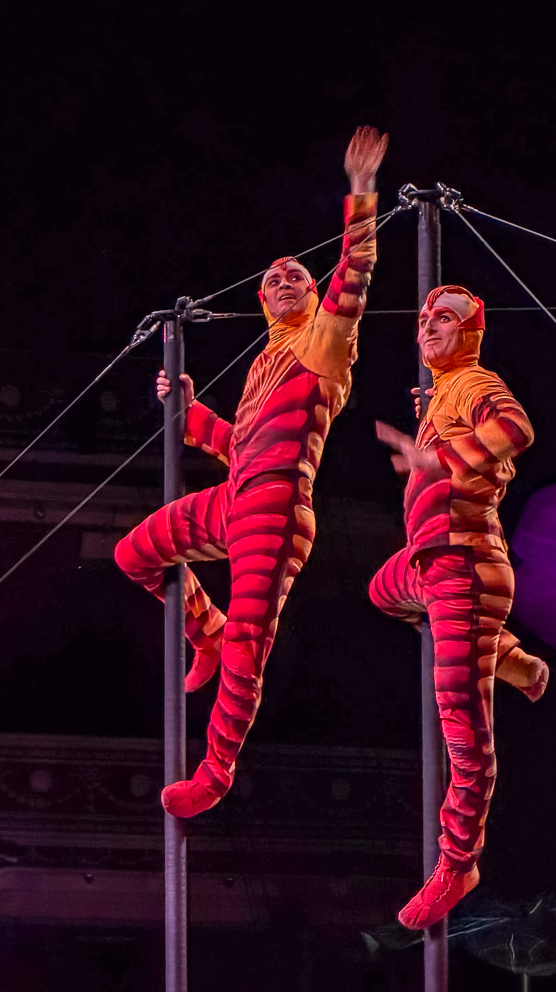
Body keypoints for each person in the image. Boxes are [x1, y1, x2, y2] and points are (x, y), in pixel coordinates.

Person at [115, 126, 387, 817]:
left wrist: (360, 194)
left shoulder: (324, 348)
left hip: (277, 511)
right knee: (135, 554)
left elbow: (352, 278)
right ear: (263, 301)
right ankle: (202, 626)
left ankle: (216, 770)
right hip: (235, 496)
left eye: (298, 271)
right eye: (274, 274)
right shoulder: (264, 362)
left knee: (251, 641)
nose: (284, 274)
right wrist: (186, 409)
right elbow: (244, 447)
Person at [372, 284, 549, 930]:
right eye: (422, 319)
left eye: (442, 319)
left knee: (461, 722)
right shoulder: (449, 391)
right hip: (432, 567)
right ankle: (510, 659)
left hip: (466, 568)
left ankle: (458, 859)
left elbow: (515, 428)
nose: (426, 327)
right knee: (381, 590)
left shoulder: (476, 379)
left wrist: (437, 454)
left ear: (469, 332)